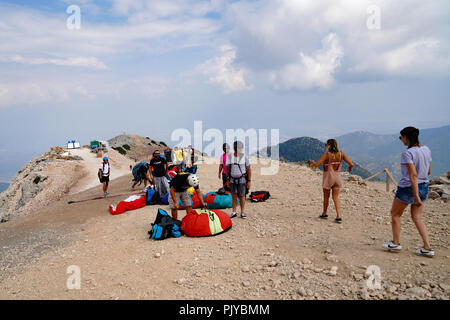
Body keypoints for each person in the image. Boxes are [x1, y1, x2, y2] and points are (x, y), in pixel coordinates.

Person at [382, 127, 434, 257]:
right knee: (417, 217)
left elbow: (413, 175)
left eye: (401, 137)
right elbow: (428, 171)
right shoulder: (426, 149)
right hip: (424, 186)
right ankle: (427, 248)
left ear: (406, 137)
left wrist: (415, 195)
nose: (401, 140)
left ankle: (396, 243)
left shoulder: (407, 153)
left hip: (408, 188)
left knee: (395, 214)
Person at [311, 139, 353, 223]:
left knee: (326, 197)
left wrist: (312, 163)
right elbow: (351, 164)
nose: (325, 145)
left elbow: (317, 165)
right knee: (335, 198)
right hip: (337, 178)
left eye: (326, 144)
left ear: (328, 145)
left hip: (328, 177)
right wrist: (348, 171)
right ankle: (339, 216)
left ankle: (325, 213)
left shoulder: (327, 154)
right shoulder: (341, 154)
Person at [226, 141, 251, 219]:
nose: (240, 149)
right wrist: (227, 179)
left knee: (242, 196)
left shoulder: (245, 157)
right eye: (239, 147)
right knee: (234, 196)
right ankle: (234, 212)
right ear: (235, 148)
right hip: (232, 180)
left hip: (242, 179)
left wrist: (249, 180)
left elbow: (249, 169)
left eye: (241, 147)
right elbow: (227, 168)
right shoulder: (230, 157)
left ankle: (242, 212)